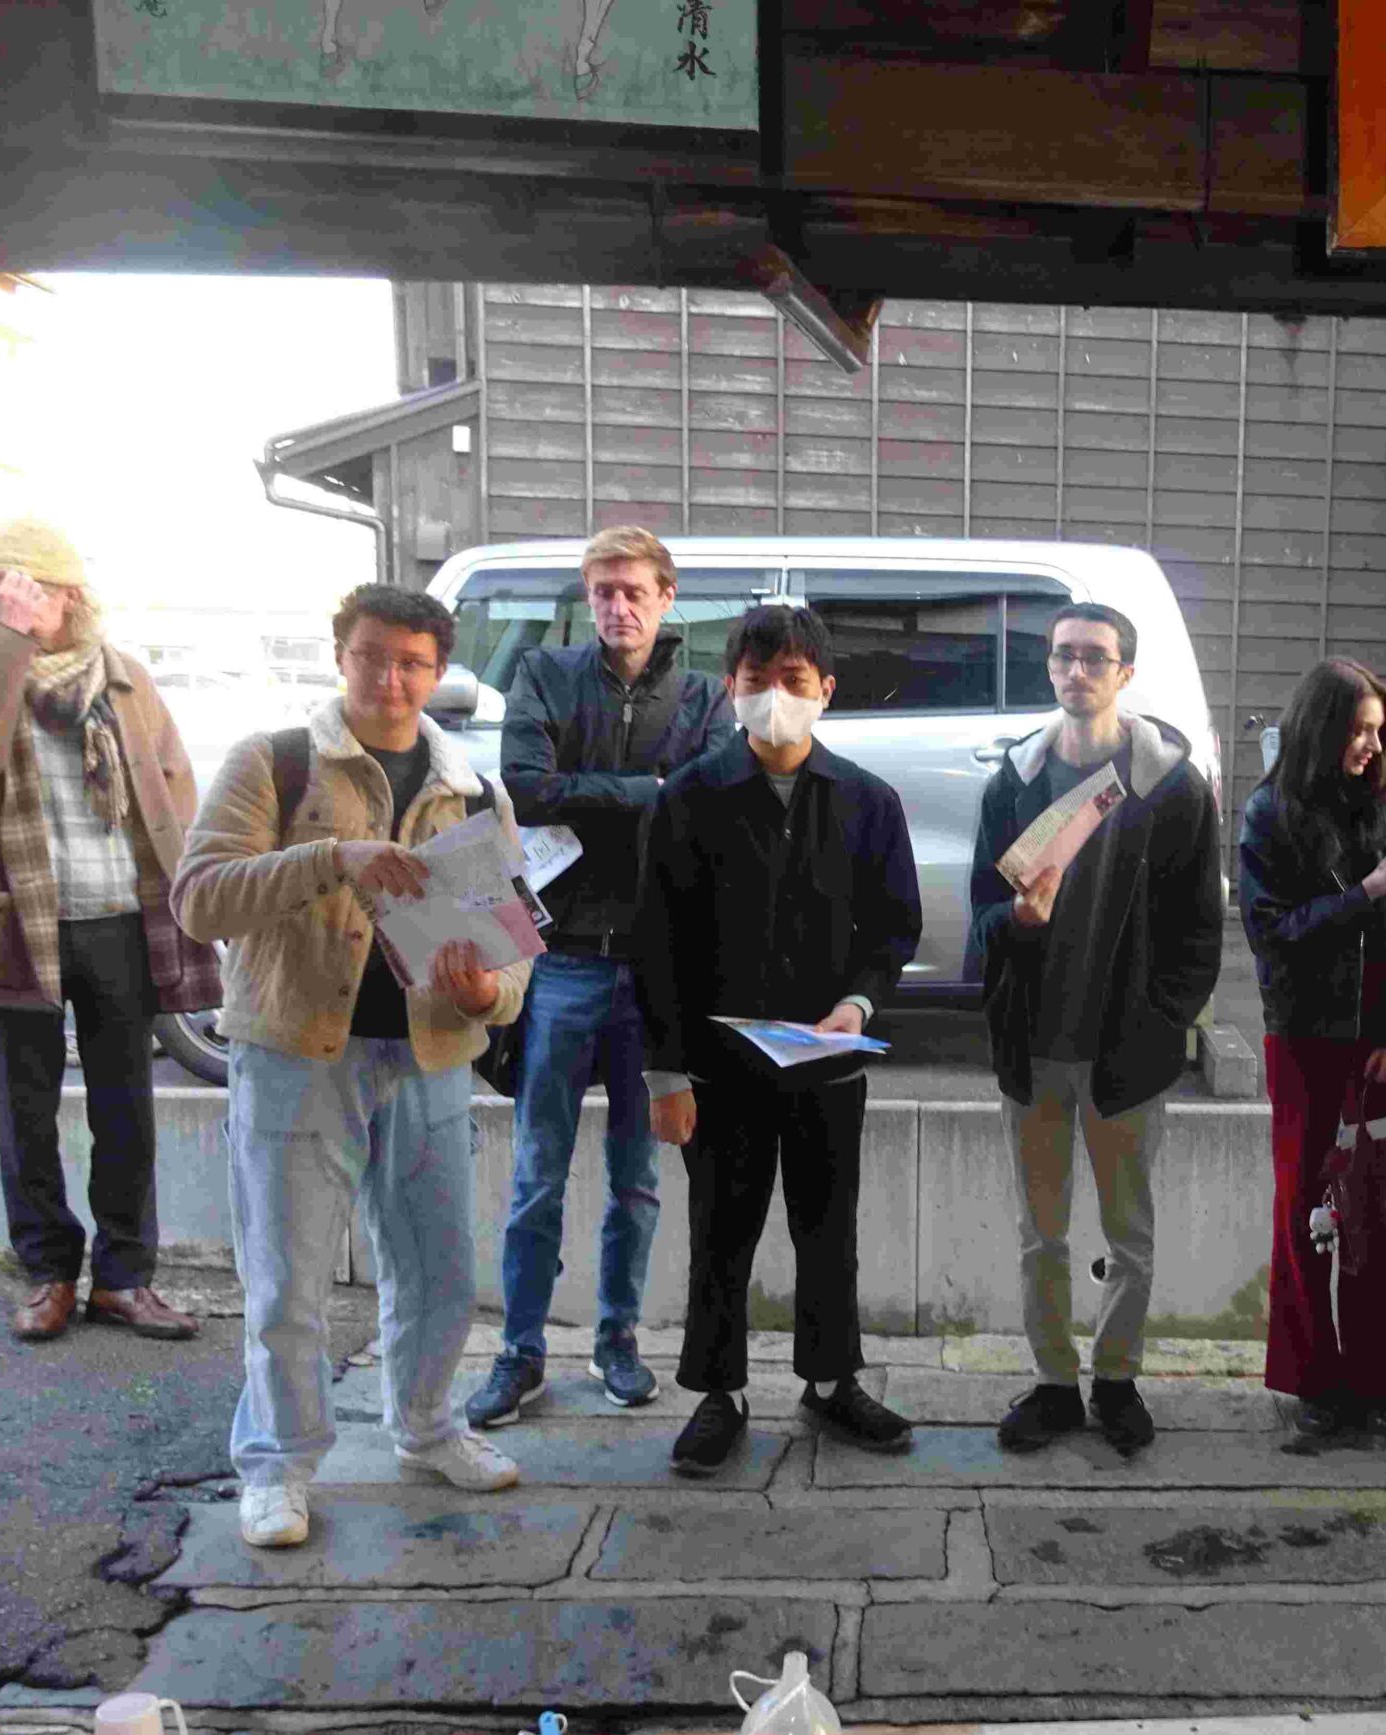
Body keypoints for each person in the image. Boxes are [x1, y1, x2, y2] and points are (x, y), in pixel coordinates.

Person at [174, 584, 531, 1549]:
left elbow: (510, 953)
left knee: (439, 1270)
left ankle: (426, 1427)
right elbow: (199, 899)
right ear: (341, 655)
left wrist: (483, 995)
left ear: (438, 672)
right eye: (373, 656)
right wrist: (333, 857)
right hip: (295, 1053)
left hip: (429, 1056)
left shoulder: (473, 789)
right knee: (287, 1277)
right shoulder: (276, 761)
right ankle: (278, 1467)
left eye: (413, 663)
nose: (391, 679)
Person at [0, 518, 218, 1344]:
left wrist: (184, 891)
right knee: (26, 1112)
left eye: (17, 585)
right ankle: (47, 1272)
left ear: (67, 596)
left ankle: (124, 1278)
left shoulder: (123, 676)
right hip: (14, 919)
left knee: (127, 1110)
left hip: (119, 918)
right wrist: (2, 641)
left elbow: (174, 788)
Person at [637, 603, 923, 1473]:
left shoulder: (867, 801)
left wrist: (860, 1005)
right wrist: (665, 1075)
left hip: (826, 1065)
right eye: (756, 681)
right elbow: (657, 944)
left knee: (828, 1232)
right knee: (720, 1233)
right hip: (719, 1070)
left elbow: (894, 929)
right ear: (730, 688)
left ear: (825, 690)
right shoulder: (689, 798)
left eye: (793, 680)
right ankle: (718, 1394)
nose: (774, 697)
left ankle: (831, 1382)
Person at [472, 526, 731, 1431]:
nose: (617, 607)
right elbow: (524, 787)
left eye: (633, 592)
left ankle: (618, 1342)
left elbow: (703, 805)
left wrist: (603, 789)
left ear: (666, 598)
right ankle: (519, 1352)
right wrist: (646, 789)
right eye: (602, 592)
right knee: (537, 1173)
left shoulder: (704, 694)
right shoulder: (545, 675)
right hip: (562, 957)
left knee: (637, 1177)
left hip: (655, 967)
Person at [967, 602, 1225, 1457]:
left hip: (1127, 1053)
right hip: (1033, 1047)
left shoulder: (1174, 790)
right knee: (1041, 1236)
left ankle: (1116, 1380)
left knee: (1128, 1237)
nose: (1076, 671)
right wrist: (1015, 924)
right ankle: (1053, 1386)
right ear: (1049, 668)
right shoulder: (1014, 781)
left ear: (1126, 673)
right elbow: (980, 916)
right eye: (1062, 656)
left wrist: (1162, 1022)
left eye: (1094, 658)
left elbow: (1199, 933)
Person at [1238, 659, 1386, 1446]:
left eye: (1378, 731)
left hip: (1380, 1048)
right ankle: (1312, 1385)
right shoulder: (1269, 814)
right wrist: (1367, 892)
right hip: (1303, 1041)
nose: (1371, 745)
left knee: (1379, 1213)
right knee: (1304, 1214)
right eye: (1358, 729)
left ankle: (1373, 1387)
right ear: (1321, 727)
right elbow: (1273, 935)